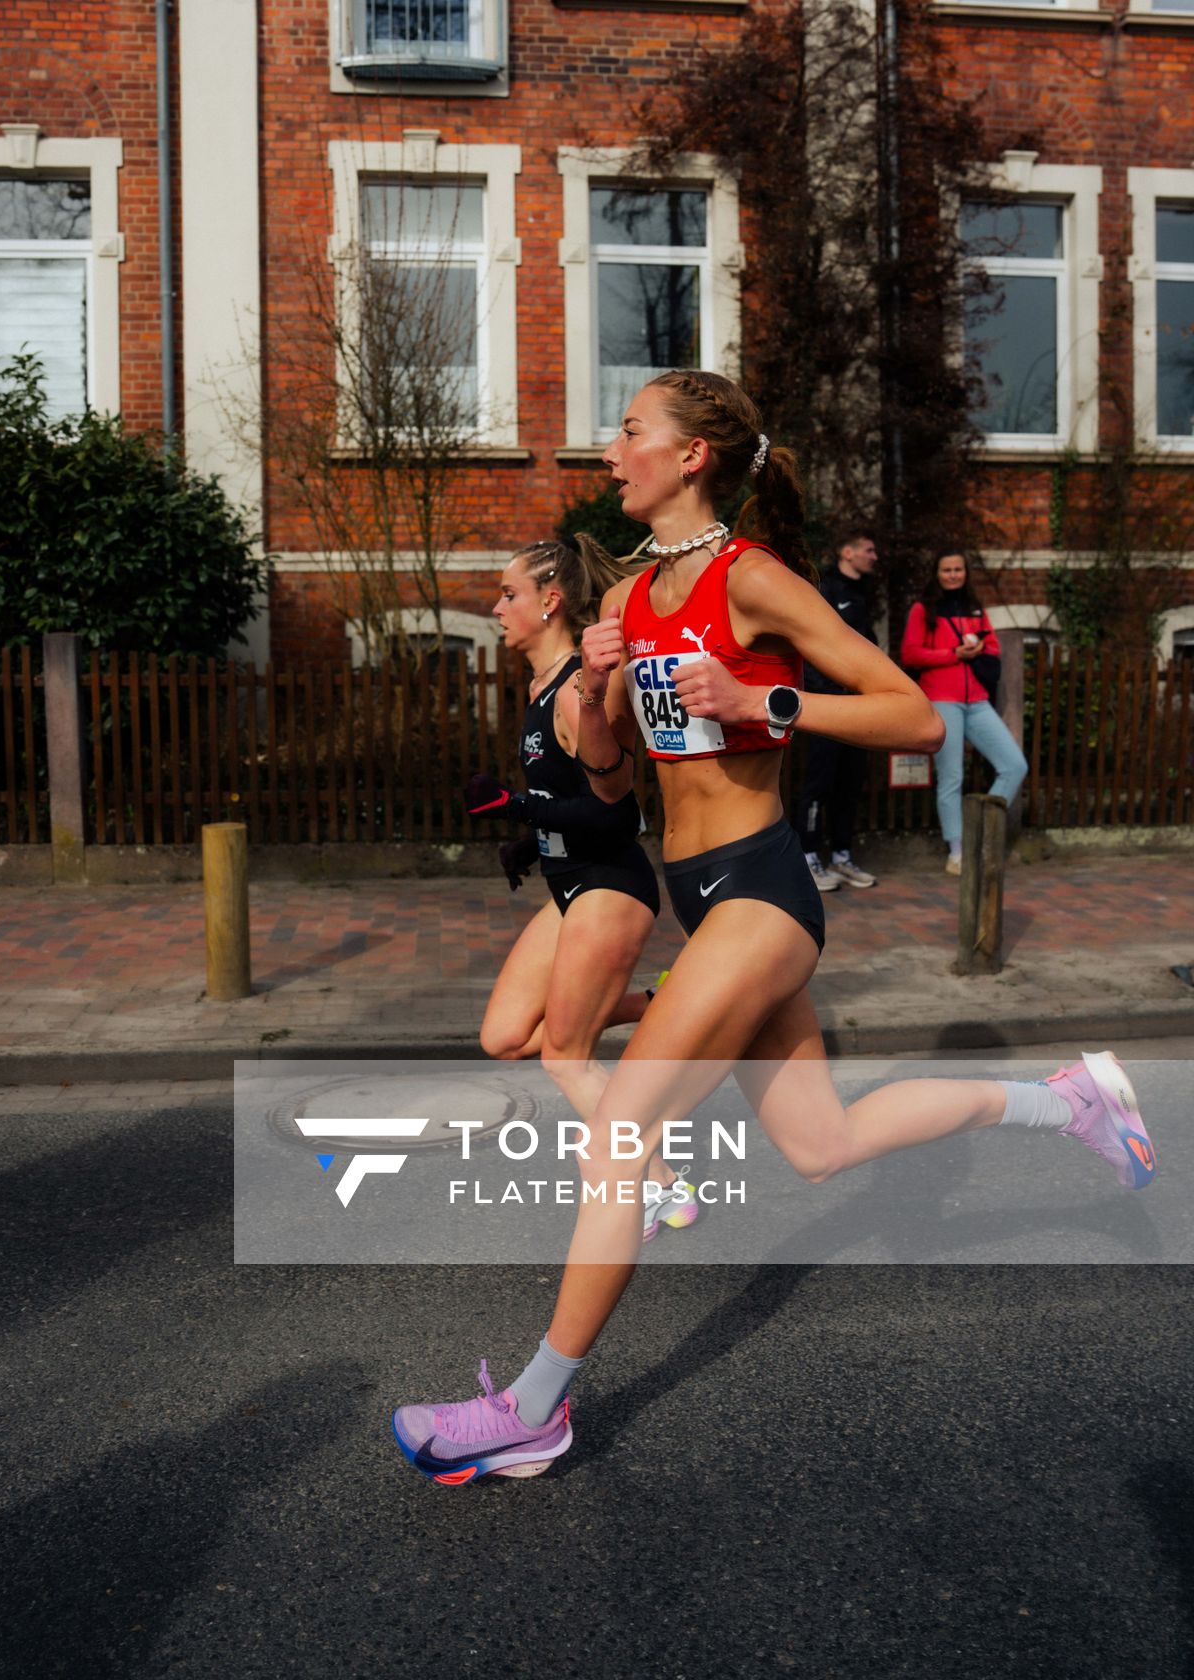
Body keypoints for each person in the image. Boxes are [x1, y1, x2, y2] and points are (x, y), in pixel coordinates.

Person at [391, 372, 1157, 1486]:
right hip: (696, 885)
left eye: (631, 430)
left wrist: (767, 706)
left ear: (691, 455)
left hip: (760, 890)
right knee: (820, 1145)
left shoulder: (748, 578)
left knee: (620, 1137)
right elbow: (611, 784)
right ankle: (1067, 1101)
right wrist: (600, 697)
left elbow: (909, 715)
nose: (611, 450)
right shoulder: (628, 603)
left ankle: (532, 1408)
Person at [464, 535, 698, 1246]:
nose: (498, 607)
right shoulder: (539, 686)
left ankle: (665, 1188)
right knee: (505, 1037)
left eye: (509, 594)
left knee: (564, 1056)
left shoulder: (575, 690)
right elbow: (566, 798)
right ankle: (658, 1002)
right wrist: (532, 842)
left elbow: (618, 812)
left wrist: (516, 806)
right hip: (570, 886)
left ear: (549, 601)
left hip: (609, 888)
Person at [900, 548, 1028, 876]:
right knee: (952, 777)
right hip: (942, 700)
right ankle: (957, 852)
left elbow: (994, 649)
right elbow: (911, 654)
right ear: (937, 573)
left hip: (978, 701)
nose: (954, 575)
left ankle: (982, 832)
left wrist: (980, 650)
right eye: (947, 570)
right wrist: (953, 654)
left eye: (958, 569)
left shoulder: (975, 609)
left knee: (1015, 766)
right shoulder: (922, 609)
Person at [796, 529, 880, 892]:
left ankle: (842, 856)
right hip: (830, 705)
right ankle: (808, 856)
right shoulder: (824, 589)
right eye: (868, 548)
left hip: (860, 706)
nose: (874, 556)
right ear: (847, 552)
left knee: (850, 782)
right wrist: (827, 693)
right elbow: (810, 646)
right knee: (819, 781)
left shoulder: (864, 592)